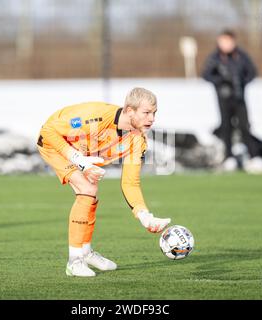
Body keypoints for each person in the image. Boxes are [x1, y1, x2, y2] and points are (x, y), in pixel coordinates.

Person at [36, 88, 171, 277]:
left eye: (154, 113)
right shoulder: (96, 115)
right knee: (87, 187)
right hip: (53, 145)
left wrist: (144, 215)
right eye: (146, 112)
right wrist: (78, 160)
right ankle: (74, 262)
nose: (152, 119)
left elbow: (130, 183)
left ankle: (86, 252)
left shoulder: (138, 139)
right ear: (129, 110)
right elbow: (49, 131)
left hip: (81, 154)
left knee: (91, 192)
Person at [202, 29, 262, 172]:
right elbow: (206, 74)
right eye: (223, 41)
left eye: (228, 41)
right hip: (223, 99)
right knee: (226, 127)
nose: (225, 44)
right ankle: (229, 158)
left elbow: (251, 72)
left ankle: (254, 157)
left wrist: (241, 82)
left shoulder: (241, 56)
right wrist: (221, 82)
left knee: (245, 126)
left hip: (239, 98)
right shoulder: (215, 58)